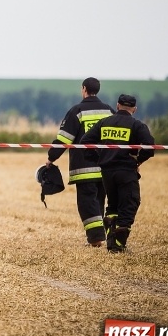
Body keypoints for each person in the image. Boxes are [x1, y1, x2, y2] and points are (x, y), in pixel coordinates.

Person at [80, 94, 155, 253]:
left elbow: (84, 142)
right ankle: (118, 245)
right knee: (129, 204)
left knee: (112, 206)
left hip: (107, 172)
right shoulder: (136, 125)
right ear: (134, 109)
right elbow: (149, 147)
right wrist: (137, 161)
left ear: (117, 106)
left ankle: (112, 242)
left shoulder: (104, 122)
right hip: (126, 172)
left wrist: (99, 158)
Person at [45, 77, 113, 247]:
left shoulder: (78, 111)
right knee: (99, 201)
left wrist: (51, 157)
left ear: (84, 89)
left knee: (87, 203)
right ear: (98, 90)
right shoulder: (109, 111)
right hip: (106, 166)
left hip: (84, 168)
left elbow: (64, 139)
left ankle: (96, 239)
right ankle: (100, 236)